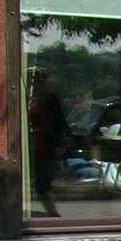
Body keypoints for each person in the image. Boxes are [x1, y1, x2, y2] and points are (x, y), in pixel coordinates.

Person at [26, 67, 68, 217]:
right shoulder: (33, 99)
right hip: (37, 143)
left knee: (43, 182)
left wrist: (58, 144)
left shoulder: (49, 99)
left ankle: (53, 213)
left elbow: (59, 122)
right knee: (40, 182)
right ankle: (51, 211)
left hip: (48, 143)